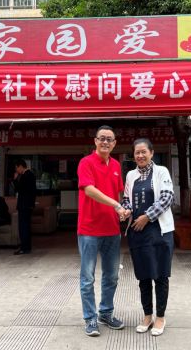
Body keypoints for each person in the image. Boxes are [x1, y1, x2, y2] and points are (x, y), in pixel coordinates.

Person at [121, 138, 175, 336]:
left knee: (160, 275)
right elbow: (126, 199)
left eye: (144, 151)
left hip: (159, 232)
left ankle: (160, 317)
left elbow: (167, 197)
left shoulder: (162, 171)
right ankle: (147, 315)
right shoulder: (130, 175)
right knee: (143, 276)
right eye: (137, 152)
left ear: (151, 153)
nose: (140, 155)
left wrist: (147, 217)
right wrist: (126, 210)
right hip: (138, 233)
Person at [77, 125, 127, 337]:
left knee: (112, 276)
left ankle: (105, 313)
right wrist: (116, 205)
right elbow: (89, 190)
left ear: (114, 144)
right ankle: (90, 318)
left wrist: (123, 210)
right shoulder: (86, 162)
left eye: (109, 139)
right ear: (95, 141)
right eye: (102, 138)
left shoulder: (116, 165)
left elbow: (118, 194)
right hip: (89, 229)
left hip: (112, 229)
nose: (105, 142)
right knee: (87, 277)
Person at [13, 159, 36, 255]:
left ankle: (24, 247)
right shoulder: (31, 175)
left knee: (23, 227)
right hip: (28, 204)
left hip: (24, 205)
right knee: (26, 226)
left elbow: (19, 189)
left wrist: (15, 180)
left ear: (21, 166)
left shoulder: (25, 175)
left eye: (16, 168)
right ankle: (26, 247)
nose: (16, 170)